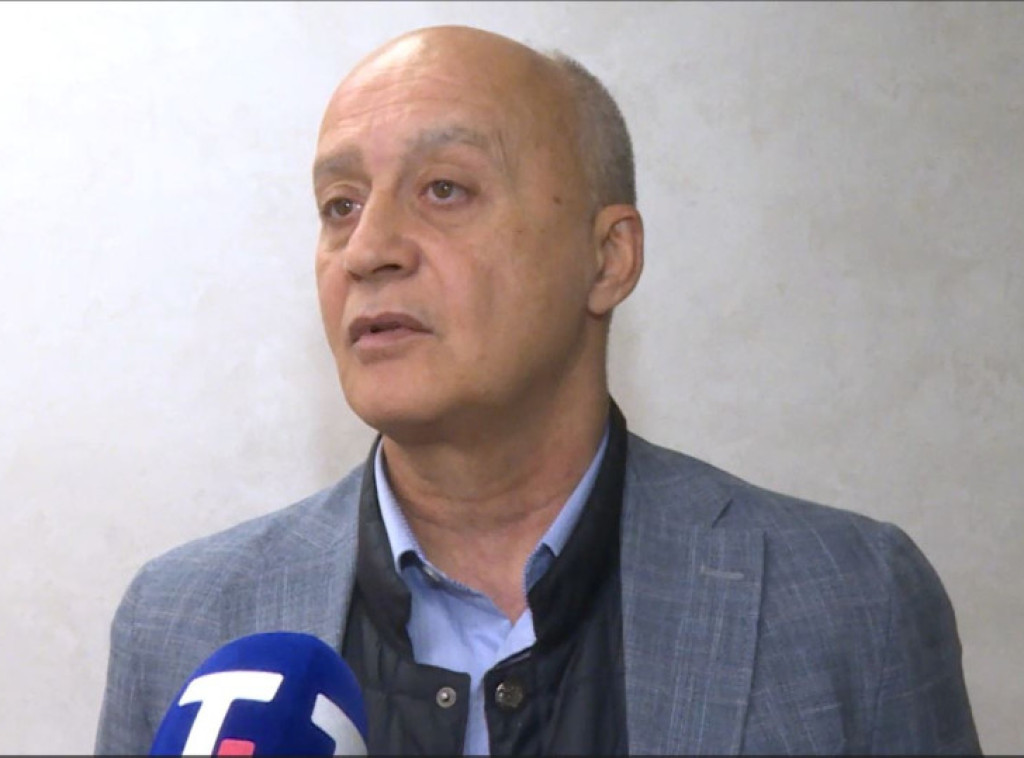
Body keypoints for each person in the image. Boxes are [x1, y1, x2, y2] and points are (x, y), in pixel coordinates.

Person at [95, 25, 979, 755]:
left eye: (444, 189)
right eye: (340, 205)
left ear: (608, 258)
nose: (368, 250)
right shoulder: (181, 622)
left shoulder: (850, 601)